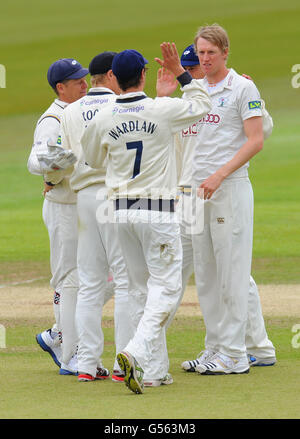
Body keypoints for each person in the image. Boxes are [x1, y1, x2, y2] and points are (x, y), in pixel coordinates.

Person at [81, 44, 212, 393]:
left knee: (139, 290)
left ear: (115, 80)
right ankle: (135, 352)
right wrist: (182, 73)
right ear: (142, 75)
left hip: (120, 211)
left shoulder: (105, 116)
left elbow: (93, 160)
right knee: (166, 289)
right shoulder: (161, 109)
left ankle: (154, 372)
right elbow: (203, 104)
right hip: (158, 211)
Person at [163, 44, 276, 371]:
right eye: (189, 67)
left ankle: (240, 349)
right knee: (211, 272)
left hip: (216, 191)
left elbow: (259, 133)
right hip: (187, 198)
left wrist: (256, 104)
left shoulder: (236, 90)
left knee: (227, 272)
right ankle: (242, 346)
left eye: (195, 66)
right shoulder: (187, 101)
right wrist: (164, 98)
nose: (193, 73)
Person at [55, 51, 134, 382]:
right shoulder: (120, 107)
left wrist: (50, 180)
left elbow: (63, 157)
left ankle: (86, 364)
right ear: (114, 76)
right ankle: (123, 363)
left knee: (89, 283)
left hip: (84, 199)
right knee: (126, 280)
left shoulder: (70, 111)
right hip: (114, 197)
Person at [27, 58, 89, 373]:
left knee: (93, 278)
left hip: (84, 207)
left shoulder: (80, 111)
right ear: (60, 87)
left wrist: (58, 173)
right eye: (77, 81)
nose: (85, 84)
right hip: (64, 209)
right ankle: (70, 354)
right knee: (69, 280)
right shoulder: (53, 118)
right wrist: (54, 175)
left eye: (85, 78)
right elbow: (36, 160)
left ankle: (56, 335)